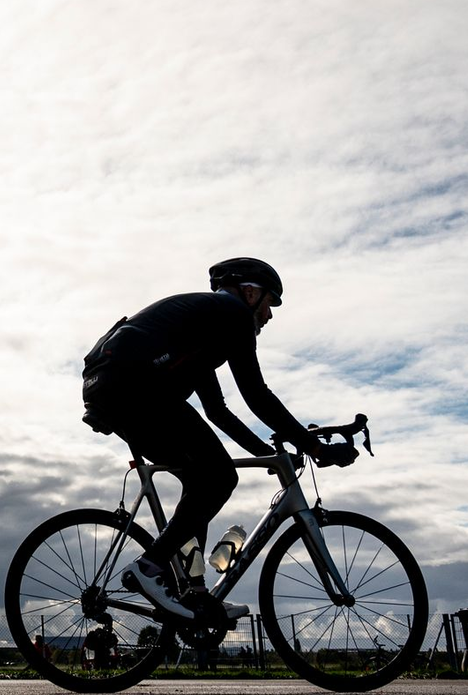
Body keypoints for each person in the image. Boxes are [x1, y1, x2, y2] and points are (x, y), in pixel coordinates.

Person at [80, 257, 353, 621]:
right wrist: (314, 447)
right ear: (250, 293)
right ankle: (149, 568)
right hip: (141, 389)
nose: (268, 317)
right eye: (269, 305)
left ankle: (193, 594)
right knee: (221, 477)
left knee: (201, 480)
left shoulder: (200, 329)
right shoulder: (232, 314)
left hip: (115, 389)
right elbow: (256, 394)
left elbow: (218, 411)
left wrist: (266, 453)